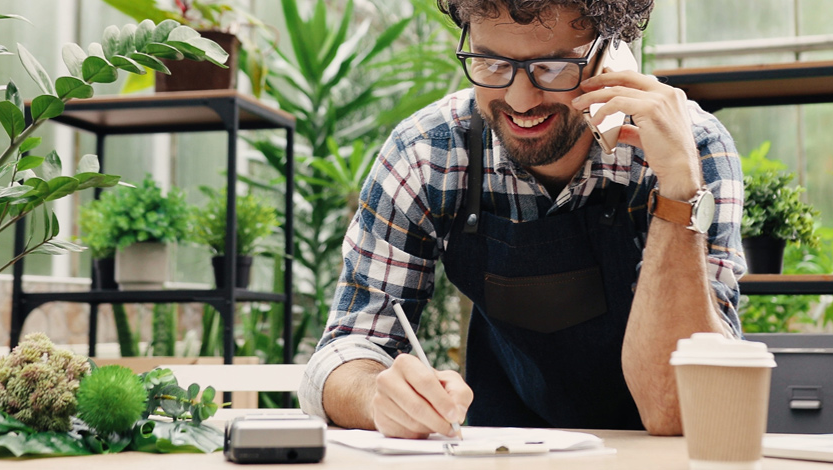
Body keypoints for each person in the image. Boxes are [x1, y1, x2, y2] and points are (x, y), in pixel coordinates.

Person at [298, 0, 745, 438]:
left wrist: (678, 192)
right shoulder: (427, 153)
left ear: (612, 55)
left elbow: (682, 409)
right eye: (492, 64)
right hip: (502, 450)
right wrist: (378, 397)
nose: (520, 100)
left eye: (552, 68)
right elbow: (346, 349)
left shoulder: (691, 150)